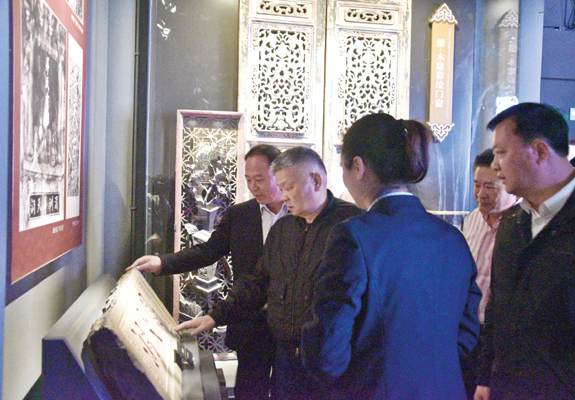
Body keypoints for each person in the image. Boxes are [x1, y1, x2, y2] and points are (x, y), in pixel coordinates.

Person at [301, 113, 481, 399]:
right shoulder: (453, 238)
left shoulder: (354, 236)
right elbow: (467, 332)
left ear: (358, 167)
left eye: (343, 169)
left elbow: (327, 352)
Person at [175, 146, 362, 400]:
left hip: (331, 360)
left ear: (316, 181)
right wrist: (215, 316)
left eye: (288, 187)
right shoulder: (284, 228)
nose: (283, 196)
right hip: (286, 359)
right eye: (280, 187)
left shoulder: (353, 224)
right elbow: (257, 282)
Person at [128, 144, 286, 400]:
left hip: (290, 327)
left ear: (279, 173)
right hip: (249, 321)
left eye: (259, 179)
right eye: (248, 179)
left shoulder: (301, 215)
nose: (253, 187)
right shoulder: (240, 215)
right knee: (249, 391)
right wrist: (162, 263)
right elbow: (207, 252)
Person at [475, 103, 575, 400]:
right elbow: (498, 308)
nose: (495, 165)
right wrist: (486, 377)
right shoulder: (513, 222)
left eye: (501, 152)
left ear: (540, 151)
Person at [461, 149, 518, 397]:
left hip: (497, 335)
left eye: (490, 187)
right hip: (466, 328)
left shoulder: (521, 226)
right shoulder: (473, 218)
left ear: (508, 184)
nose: (480, 194)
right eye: (476, 185)